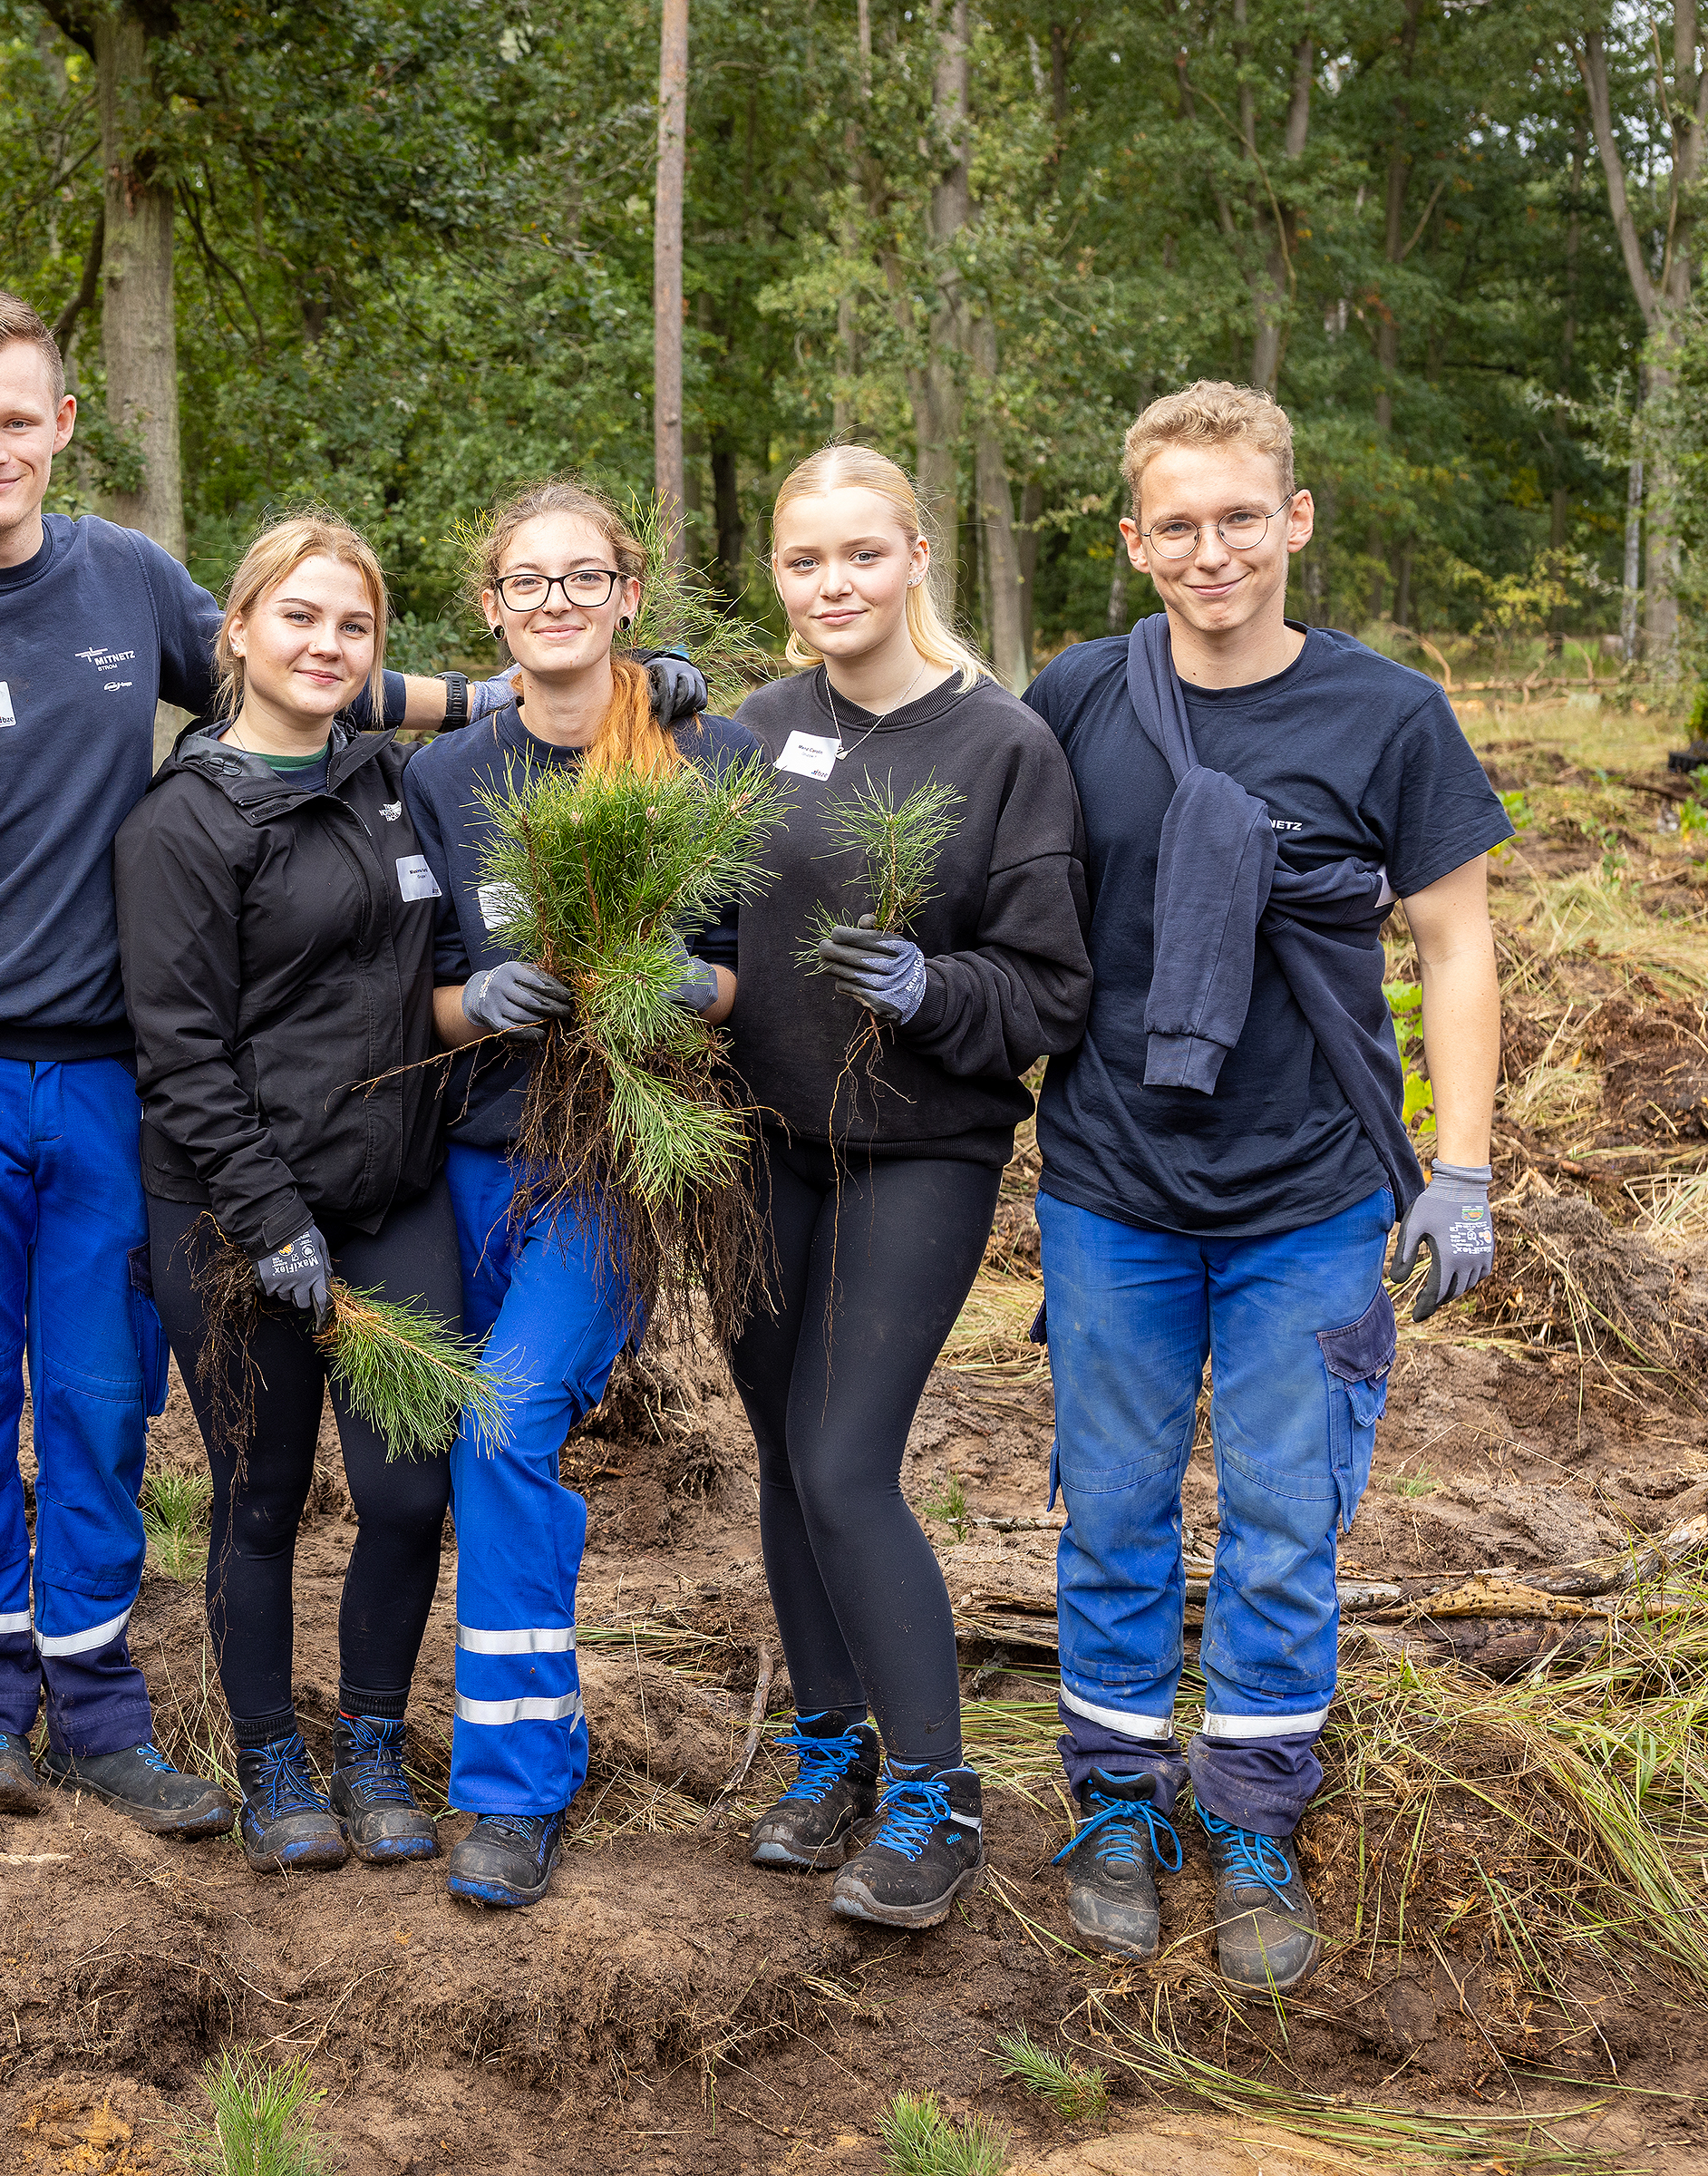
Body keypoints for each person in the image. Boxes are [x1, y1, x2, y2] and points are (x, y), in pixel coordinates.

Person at [0, 287, 572, 1843]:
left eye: (20, 418)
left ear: (63, 424)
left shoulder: (125, 579)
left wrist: (512, 694)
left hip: (110, 1079)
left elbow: (297, 672)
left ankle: (102, 1716)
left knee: (97, 1402)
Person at [1021, 382, 1508, 1996]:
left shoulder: (1391, 716)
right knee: (1114, 1507)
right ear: (1133, 541)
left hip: (1312, 1194)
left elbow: (1455, 944)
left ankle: (1251, 1815)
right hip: (1113, 1182)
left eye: (1241, 516)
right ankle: (1116, 1803)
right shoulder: (1078, 697)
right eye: (1178, 525)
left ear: (1295, 518)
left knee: (1288, 1521)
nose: (1211, 550)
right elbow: (972, 846)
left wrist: (1463, 1171)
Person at [723, 446, 1091, 1928]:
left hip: (919, 1149)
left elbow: (1049, 984)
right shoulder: (753, 732)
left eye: (862, 555)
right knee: (781, 1451)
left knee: (843, 1460)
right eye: (805, 561)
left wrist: (940, 989)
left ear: (918, 554)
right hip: (760, 1145)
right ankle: (833, 1752)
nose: (835, 585)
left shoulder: (1002, 745)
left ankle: (938, 1794)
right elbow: (706, 925)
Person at [403, 480, 750, 1909]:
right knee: (455, 1453)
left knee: (506, 1420)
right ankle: (455, 1727)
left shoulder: (701, 757)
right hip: (465, 1159)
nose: (557, 602)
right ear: (492, 610)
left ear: (628, 593)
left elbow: (754, 973)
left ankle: (512, 1790)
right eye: (527, 583)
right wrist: (477, 1004)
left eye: (583, 578)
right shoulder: (443, 777)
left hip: (613, 1165)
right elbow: (420, 993)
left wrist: (690, 988)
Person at [116, 512, 459, 1878]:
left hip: (393, 1195)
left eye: (354, 625)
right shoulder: (184, 821)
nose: (327, 645)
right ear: (239, 633)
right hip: (229, 1213)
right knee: (260, 1493)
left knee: (408, 1492)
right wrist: (269, 1218)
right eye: (300, 617)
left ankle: (370, 1742)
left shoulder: (390, 783)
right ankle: (269, 1755)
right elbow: (179, 1052)